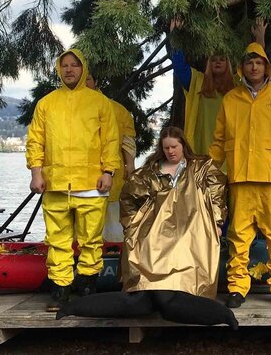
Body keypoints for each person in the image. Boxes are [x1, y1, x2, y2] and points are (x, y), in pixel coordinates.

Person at [56, 127, 238, 330]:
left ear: (184, 145)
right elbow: (128, 197)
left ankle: (202, 306)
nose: (170, 151)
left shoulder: (201, 167)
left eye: (174, 147)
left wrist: (217, 222)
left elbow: (217, 193)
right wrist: (133, 225)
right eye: (166, 147)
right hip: (154, 231)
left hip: (191, 229)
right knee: (145, 282)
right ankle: (78, 306)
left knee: (180, 258)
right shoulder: (150, 171)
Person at [26, 48, 121, 311]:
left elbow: (110, 139)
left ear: (84, 69)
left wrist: (108, 171)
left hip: (92, 183)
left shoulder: (99, 102)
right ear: (59, 69)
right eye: (65, 65)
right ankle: (60, 291)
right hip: (55, 184)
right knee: (57, 240)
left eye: (74, 65)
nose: (69, 69)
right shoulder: (46, 103)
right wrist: (36, 172)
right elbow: (36, 140)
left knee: (91, 239)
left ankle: (88, 287)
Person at [209, 41, 271, 309]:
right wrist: (208, 171)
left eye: (259, 62)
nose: (254, 67)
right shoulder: (230, 99)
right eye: (249, 62)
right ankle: (237, 287)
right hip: (239, 178)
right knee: (238, 236)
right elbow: (218, 141)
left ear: (266, 67)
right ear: (242, 67)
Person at [170, 18, 266, 154]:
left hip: (232, 154)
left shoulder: (237, 84)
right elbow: (179, 66)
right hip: (201, 152)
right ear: (208, 63)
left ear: (228, 63)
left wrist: (259, 39)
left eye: (222, 59)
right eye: (213, 59)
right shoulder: (197, 81)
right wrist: (175, 36)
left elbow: (256, 67)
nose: (218, 62)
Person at [84, 74, 136, 243]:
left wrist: (130, 165)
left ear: (96, 81)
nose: (84, 83)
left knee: (113, 224)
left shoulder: (117, 110)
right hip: (80, 179)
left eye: (89, 79)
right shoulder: (65, 110)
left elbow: (128, 140)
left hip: (112, 176)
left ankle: (114, 258)